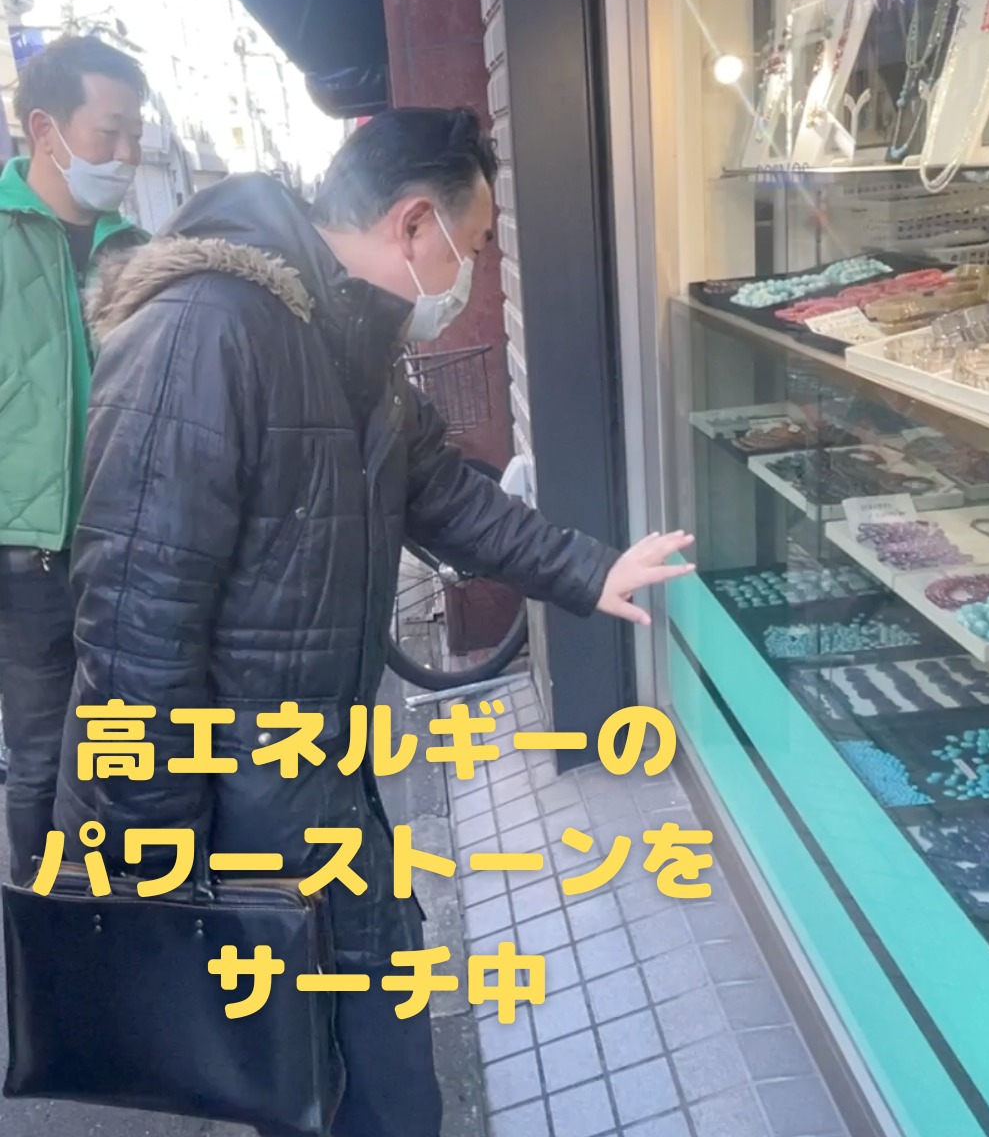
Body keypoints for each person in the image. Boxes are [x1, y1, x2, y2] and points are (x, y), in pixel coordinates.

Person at [53, 106, 693, 1137]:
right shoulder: (206, 328)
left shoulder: (343, 332)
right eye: (474, 244)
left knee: (370, 1076)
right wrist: (150, 868)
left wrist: (588, 569)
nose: (475, 273)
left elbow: (443, 494)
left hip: (317, 782)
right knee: (329, 1083)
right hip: (238, 810)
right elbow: (134, 620)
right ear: (413, 225)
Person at [0, 35, 147, 883]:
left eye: (136, 135)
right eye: (110, 133)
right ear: (45, 130)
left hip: (130, 550)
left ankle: (125, 907)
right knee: (40, 752)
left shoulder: (139, 249)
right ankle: (46, 918)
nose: (126, 155)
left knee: (130, 745)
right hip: (26, 557)